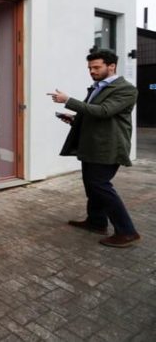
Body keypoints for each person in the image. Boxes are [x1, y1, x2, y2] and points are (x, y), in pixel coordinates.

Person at [48, 49, 140, 248]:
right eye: (90, 68)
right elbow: (94, 114)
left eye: (96, 67)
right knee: (92, 186)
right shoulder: (97, 87)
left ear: (111, 66)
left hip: (108, 147)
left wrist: (68, 101)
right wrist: (75, 119)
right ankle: (96, 222)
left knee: (100, 186)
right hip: (91, 146)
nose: (92, 71)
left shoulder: (126, 89)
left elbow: (104, 111)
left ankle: (127, 232)